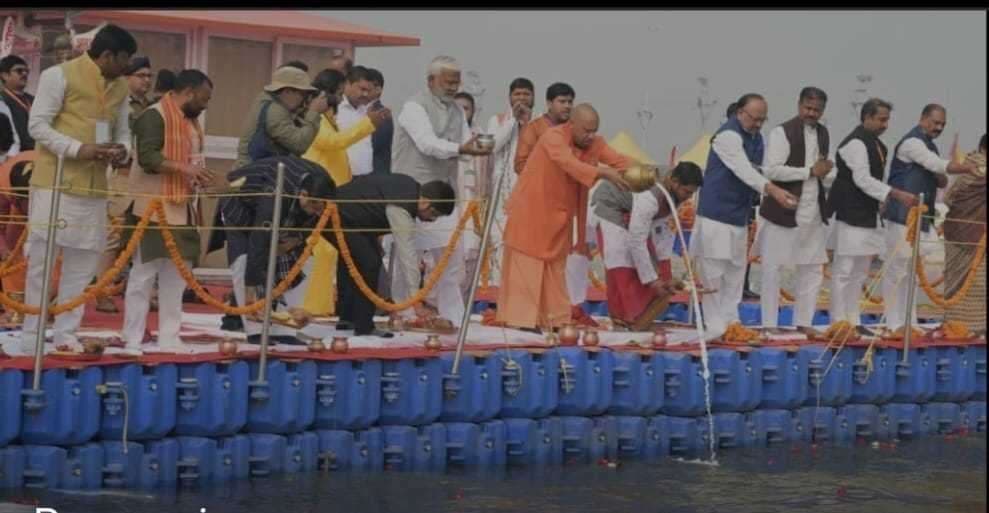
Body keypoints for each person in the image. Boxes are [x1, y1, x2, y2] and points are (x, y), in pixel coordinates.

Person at [22, 24, 136, 353]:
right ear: (106, 55)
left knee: (83, 262)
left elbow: (123, 130)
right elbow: (38, 125)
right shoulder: (58, 76)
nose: (127, 66)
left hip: (96, 187)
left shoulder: (121, 87)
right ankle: (32, 335)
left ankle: (65, 335)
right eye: (124, 59)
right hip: (55, 183)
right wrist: (77, 149)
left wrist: (122, 151)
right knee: (43, 262)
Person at [496, 103, 630, 331]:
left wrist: (647, 173)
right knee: (527, 266)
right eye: (586, 130)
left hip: (559, 217)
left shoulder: (595, 143)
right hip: (532, 211)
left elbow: (619, 160)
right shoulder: (553, 137)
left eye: (594, 130)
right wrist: (602, 172)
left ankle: (554, 319)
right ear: (572, 124)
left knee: (555, 270)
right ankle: (523, 321)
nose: (591, 136)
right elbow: (569, 163)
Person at [389, 55, 491, 327]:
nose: (453, 88)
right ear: (431, 80)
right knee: (406, 259)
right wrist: (462, 149)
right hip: (411, 194)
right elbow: (427, 144)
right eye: (448, 82)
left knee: (451, 257)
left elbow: (466, 143)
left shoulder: (458, 112)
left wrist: (479, 147)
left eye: (456, 83)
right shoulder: (413, 107)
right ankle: (405, 312)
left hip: (443, 197)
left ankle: (452, 316)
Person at [120, 69, 214, 355]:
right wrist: (185, 168)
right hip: (151, 206)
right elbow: (148, 158)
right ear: (187, 92)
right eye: (203, 98)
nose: (206, 105)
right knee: (143, 275)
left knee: (176, 276)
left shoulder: (190, 122)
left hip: (182, 206)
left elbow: (191, 160)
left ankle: (170, 337)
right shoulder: (154, 116)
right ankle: (132, 338)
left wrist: (198, 175)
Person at [691, 93, 800, 340]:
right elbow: (744, 170)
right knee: (714, 272)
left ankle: (732, 321)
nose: (758, 124)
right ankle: (714, 326)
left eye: (763, 120)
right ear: (740, 113)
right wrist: (772, 190)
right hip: (715, 217)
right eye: (754, 119)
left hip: (739, 217)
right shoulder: (727, 136)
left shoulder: (756, 138)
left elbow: (759, 170)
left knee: (735, 272)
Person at [207, 156, 335, 344]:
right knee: (245, 260)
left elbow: (319, 220)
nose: (318, 211)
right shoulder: (275, 193)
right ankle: (254, 330)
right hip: (242, 208)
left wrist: (297, 239)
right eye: (315, 206)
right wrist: (250, 286)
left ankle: (285, 329)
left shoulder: (323, 190)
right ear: (304, 195)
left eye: (321, 208)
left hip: (283, 213)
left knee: (302, 259)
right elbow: (259, 240)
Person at [301, 68, 391, 317]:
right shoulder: (315, 120)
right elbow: (335, 143)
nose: (341, 99)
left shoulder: (329, 119)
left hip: (335, 194)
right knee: (324, 250)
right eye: (339, 93)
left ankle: (325, 306)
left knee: (333, 251)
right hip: (315, 195)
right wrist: (368, 125)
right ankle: (314, 307)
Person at [824, 98, 918, 333]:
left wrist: (883, 199)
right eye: (881, 119)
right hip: (848, 213)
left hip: (869, 215)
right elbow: (862, 179)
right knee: (844, 271)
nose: (885, 124)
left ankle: (854, 320)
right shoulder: (855, 143)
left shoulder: (878, 145)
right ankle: (839, 321)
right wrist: (894, 194)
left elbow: (874, 181)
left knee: (860, 272)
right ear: (866, 117)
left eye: (887, 120)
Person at [881, 104, 977, 332]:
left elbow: (940, 177)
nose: (939, 127)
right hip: (902, 217)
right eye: (935, 122)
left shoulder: (929, 145)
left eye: (942, 124)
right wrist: (970, 168)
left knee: (913, 274)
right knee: (897, 271)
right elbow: (937, 165)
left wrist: (943, 175)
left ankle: (909, 322)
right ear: (923, 119)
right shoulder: (912, 143)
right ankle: (894, 323)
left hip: (922, 218)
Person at [327, 174, 457, 336]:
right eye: (434, 215)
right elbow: (407, 256)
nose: (432, 220)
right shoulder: (402, 207)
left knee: (352, 260)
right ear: (425, 203)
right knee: (370, 263)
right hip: (339, 216)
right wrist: (416, 301)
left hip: (344, 215)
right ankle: (364, 326)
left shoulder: (407, 187)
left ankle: (347, 318)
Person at [751, 87, 835, 336]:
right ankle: (769, 323)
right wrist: (809, 171)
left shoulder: (823, 133)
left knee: (812, 267)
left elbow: (822, 169)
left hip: (814, 211)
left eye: (817, 110)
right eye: (808, 108)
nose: (812, 113)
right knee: (773, 267)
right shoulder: (781, 132)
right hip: (783, 209)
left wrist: (828, 169)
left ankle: (804, 321)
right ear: (799, 105)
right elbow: (771, 170)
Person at [593, 162, 702, 330]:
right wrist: (653, 282)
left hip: (632, 209)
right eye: (687, 191)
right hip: (609, 206)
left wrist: (665, 274)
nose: (688, 197)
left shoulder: (675, 194)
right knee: (622, 261)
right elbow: (637, 240)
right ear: (674, 181)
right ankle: (624, 320)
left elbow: (662, 235)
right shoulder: (650, 197)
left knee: (651, 266)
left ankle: (639, 319)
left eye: (692, 193)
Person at [93, 55, 157, 315]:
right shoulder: (114, 101)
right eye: (141, 75)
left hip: (145, 178)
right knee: (113, 237)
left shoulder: (152, 107)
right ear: (126, 77)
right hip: (120, 173)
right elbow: (101, 136)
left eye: (149, 76)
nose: (146, 81)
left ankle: (144, 291)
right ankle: (102, 292)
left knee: (142, 235)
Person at [483, 77, 534, 285]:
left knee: (528, 242)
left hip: (531, 191)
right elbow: (493, 145)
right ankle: (498, 291)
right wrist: (513, 120)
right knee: (500, 239)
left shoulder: (539, 122)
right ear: (509, 97)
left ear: (533, 97)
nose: (521, 98)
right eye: (517, 94)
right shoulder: (497, 120)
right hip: (502, 192)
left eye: (526, 94)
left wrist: (527, 124)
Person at [234, 66, 327, 168]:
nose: (304, 99)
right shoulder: (274, 111)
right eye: (303, 94)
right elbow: (299, 144)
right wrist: (314, 112)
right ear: (287, 91)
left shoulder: (269, 103)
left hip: (257, 172)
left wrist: (303, 113)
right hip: (253, 175)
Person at [943, 134, 986, 333]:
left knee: (963, 281)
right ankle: (972, 327)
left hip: (957, 232)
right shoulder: (979, 168)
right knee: (975, 283)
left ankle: (955, 324)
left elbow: (949, 198)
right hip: (972, 234)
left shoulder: (966, 166)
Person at [336, 66, 376, 178]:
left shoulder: (365, 109)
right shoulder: (335, 108)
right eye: (362, 89)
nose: (365, 94)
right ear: (348, 84)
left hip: (366, 174)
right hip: (342, 175)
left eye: (368, 91)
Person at [0, 55, 35, 152]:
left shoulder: (34, 100)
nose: (24, 73)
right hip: (13, 158)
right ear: (5, 75)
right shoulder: (2, 100)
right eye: (19, 71)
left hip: (37, 154)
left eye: (26, 71)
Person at [367, 67, 393, 175]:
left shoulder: (382, 114)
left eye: (366, 88)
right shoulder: (357, 111)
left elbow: (373, 145)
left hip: (375, 175)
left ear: (378, 90)